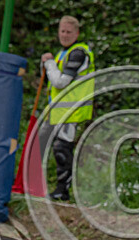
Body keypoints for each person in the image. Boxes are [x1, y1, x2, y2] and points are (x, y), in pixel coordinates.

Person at [40, 16, 95, 201]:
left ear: (77, 34)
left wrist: (49, 64)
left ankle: (63, 191)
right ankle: (33, 185)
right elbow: (51, 83)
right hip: (56, 111)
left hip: (72, 111)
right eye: (62, 31)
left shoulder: (79, 53)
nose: (64, 35)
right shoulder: (62, 53)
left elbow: (61, 82)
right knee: (38, 146)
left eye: (68, 32)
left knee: (61, 149)